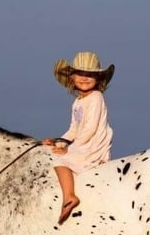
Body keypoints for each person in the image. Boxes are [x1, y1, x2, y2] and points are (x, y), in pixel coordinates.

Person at [43, 51, 114, 224]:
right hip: (82, 143)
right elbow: (74, 130)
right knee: (49, 150)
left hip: (92, 145)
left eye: (90, 75)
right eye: (80, 74)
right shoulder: (78, 102)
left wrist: (68, 150)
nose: (84, 78)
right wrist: (58, 141)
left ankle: (69, 196)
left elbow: (89, 129)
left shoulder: (96, 98)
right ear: (72, 78)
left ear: (98, 79)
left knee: (59, 161)